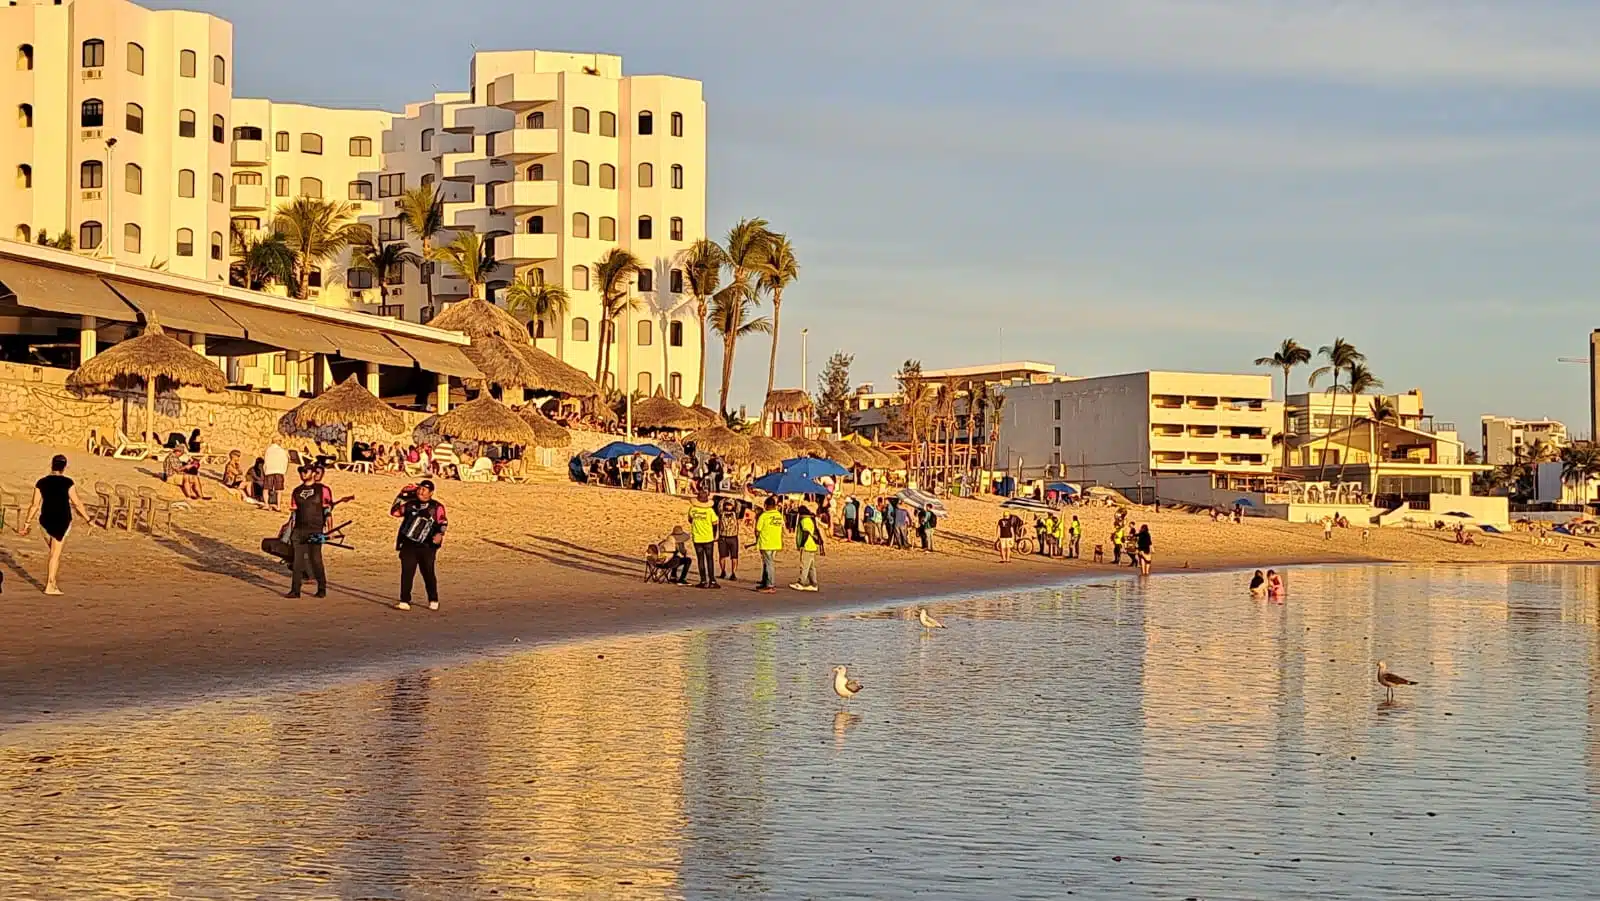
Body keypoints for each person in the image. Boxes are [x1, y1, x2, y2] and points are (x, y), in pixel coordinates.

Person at [18, 454, 92, 596]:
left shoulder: (41, 482)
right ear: (64, 467)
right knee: (54, 555)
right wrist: (88, 519)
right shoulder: (68, 482)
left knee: (53, 553)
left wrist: (27, 523)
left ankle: (53, 583)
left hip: (45, 521)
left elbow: (34, 505)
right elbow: (77, 503)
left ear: (52, 465)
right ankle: (50, 585)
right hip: (62, 521)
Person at [392, 479, 448, 610]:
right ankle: (404, 600)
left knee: (428, 572)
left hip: (427, 545)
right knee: (407, 571)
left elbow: (443, 522)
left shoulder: (437, 507)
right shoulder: (410, 504)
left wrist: (440, 534)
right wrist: (401, 495)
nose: (420, 491)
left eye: (424, 489)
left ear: (431, 492)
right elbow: (394, 512)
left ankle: (433, 599)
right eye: (419, 489)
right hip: (408, 544)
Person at [285, 465, 332, 598]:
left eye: (306, 471)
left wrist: (329, 531)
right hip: (299, 530)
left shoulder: (322, 490)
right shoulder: (296, 491)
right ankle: (295, 590)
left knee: (316, 559)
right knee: (297, 561)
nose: (303, 474)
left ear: (312, 473)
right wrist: (288, 530)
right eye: (301, 472)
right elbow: (294, 513)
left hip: (315, 529)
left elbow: (327, 511)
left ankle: (321, 588)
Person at [687, 490, 720, 588]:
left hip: (697, 538)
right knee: (709, 559)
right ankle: (712, 580)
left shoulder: (692, 509)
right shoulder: (709, 511)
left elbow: (690, 520)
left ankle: (703, 580)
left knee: (700, 559)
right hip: (708, 537)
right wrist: (714, 535)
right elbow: (715, 523)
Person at [755, 496, 785, 593]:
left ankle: (770, 585)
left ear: (766, 505)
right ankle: (765, 582)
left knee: (769, 564)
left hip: (766, 542)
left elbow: (758, 530)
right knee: (767, 563)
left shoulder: (764, 516)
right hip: (776, 543)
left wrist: (757, 538)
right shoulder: (779, 515)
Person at [792, 503, 823, 591]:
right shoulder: (810, 519)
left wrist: (801, 544)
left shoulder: (805, 520)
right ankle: (813, 584)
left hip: (807, 545)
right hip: (812, 545)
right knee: (811, 566)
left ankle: (801, 582)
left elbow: (806, 533)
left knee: (804, 565)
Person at [717, 497, 745, 581]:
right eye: (727, 505)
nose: (728, 507)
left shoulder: (735, 514)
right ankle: (723, 571)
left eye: (730, 505)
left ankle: (733, 573)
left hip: (733, 537)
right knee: (722, 556)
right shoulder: (721, 513)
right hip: (723, 537)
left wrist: (735, 500)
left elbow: (739, 506)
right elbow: (719, 505)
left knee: (734, 556)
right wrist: (724, 499)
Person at [263, 439, 289, 512]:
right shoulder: (282, 451)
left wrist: (265, 470)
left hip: (269, 471)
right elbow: (285, 461)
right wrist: (283, 471)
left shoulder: (268, 450)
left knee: (266, 489)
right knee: (279, 490)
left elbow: (266, 460)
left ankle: (266, 504)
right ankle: (278, 506)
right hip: (279, 471)